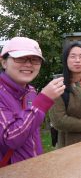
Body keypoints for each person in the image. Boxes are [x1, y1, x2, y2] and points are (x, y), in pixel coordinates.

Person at [0, 37, 65, 167]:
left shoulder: (30, 91)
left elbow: (32, 133)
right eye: (20, 58)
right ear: (4, 62)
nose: (29, 64)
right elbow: (10, 138)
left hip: (34, 168)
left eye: (35, 59)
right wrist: (43, 101)